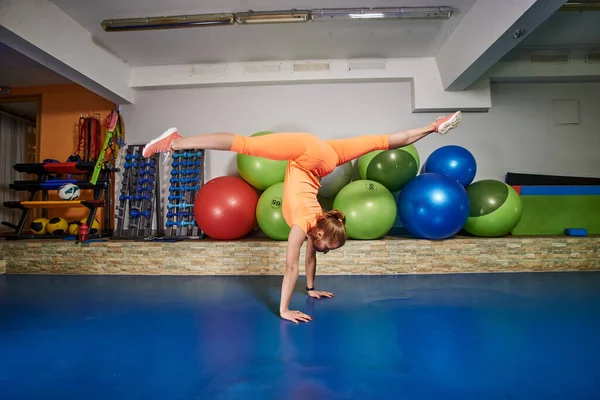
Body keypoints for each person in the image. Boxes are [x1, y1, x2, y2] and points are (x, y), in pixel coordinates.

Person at [142, 111, 462, 324]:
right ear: (321, 234)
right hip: (309, 152)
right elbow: (291, 267)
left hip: (326, 155)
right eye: (326, 248)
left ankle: (434, 126)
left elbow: (310, 261)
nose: (323, 251)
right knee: (245, 145)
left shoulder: (317, 224)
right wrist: (284, 309)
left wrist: (311, 290)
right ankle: (177, 141)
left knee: (384, 141)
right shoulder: (301, 226)